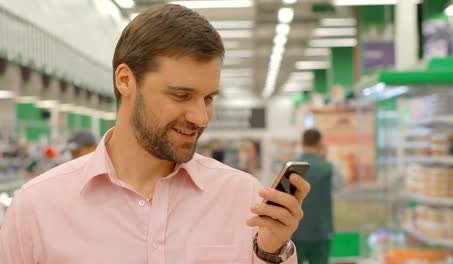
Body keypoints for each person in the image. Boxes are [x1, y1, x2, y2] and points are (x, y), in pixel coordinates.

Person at [0, 4, 310, 263]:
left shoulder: (244, 199)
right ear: (125, 80)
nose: (200, 117)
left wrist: (270, 251)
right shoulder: (37, 209)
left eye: (208, 98)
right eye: (180, 95)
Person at [292, 129, 337, 264]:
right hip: (321, 230)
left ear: (302, 143)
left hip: (295, 231)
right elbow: (341, 185)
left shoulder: (291, 167)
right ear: (320, 144)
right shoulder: (328, 167)